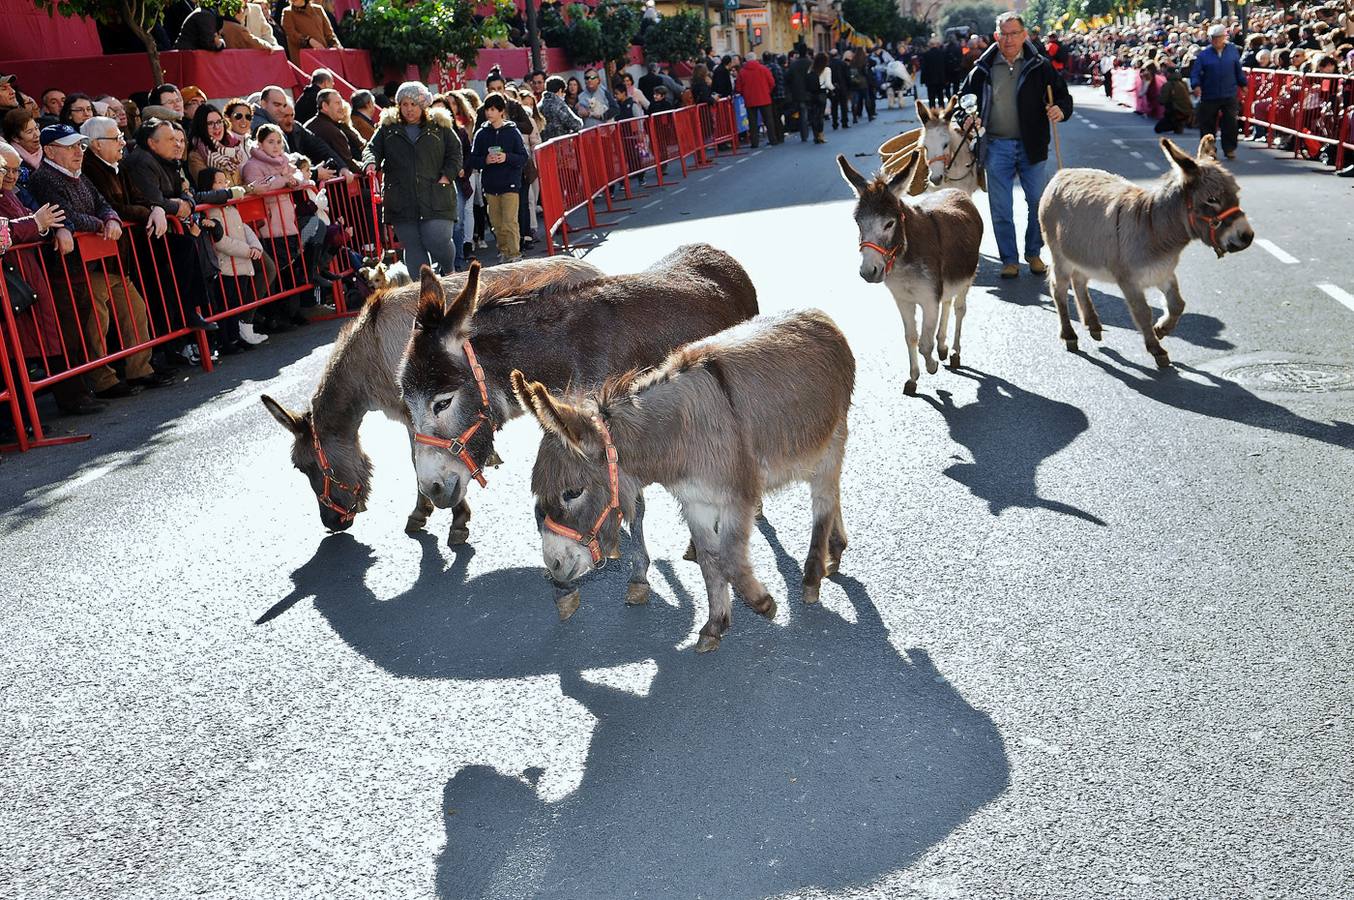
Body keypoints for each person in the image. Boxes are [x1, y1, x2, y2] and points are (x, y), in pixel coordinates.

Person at [27, 124, 176, 397]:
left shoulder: (79, 175)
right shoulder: (44, 179)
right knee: (95, 323)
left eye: (79, 146)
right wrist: (101, 223)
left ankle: (140, 369)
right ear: (49, 151)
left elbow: (102, 203)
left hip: (107, 261)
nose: (77, 152)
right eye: (69, 146)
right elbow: (65, 215)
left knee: (135, 310)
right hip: (78, 267)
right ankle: (103, 379)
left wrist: (109, 218)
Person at [960, 11, 1072, 279]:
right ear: (996, 36)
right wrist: (966, 118)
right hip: (996, 145)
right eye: (1004, 34)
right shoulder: (982, 69)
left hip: (1031, 144)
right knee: (1001, 208)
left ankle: (1033, 253)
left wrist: (1060, 110)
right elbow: (963, 99)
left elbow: (1063, 97)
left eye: (1014, 33)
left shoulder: (1039, 65)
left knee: (1037, 202)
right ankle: (1009, 259)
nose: (1009, 39)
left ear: (1024, 35)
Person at [0, 140, 106, 414]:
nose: (10, 175)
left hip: (28, 277)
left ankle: (31, 415)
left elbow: (43, 220)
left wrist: (47, 227)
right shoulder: (30, 186)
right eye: (4, 169)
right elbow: (19, 227)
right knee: (16, 352)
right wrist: (36, 224)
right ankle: (22, 418)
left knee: (45, 341)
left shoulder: (13, 194)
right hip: (14, 280)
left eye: (15, 169)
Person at [361, 81, 461, 275]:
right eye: (404, 104)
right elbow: (371, 149)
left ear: (423, 106)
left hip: (436, 194)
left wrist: (447, 176)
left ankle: (449, 271)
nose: (409, 109)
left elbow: (455, 153)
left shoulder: (440, 127)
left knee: (437, 238)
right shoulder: (387, 129)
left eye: (413, 104)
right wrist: (370, 162)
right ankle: (423, 291)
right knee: (413, 245)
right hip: (401, 197)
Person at [468, 93, 526, 263]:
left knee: (510, 221)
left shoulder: (512, 131)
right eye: (487, 109)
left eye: (493, 109)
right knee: (497, 224)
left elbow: (523, 157)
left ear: (501, 111)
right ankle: (503, 251)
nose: (489, 113)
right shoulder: (481, 133)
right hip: (491, 185)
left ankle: (515, 254)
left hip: (510, 183)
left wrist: (506, 157)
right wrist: (485, 160)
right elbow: (473, 159)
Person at [1191, 23, 1247, 160]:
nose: (1216, 40)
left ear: (1224, 37)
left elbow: (1237, 69)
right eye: (1213, 38)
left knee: (1230, 123)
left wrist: (1243, 84)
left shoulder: (1232, 51)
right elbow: (1196, 72)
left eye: (1218, 37)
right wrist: (1196, 85)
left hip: (1229, 93)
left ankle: (1229, 149)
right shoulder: (1204, 54)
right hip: (1210, 94)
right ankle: (1209, 151)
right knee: (1207, 124)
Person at [187, 102, 249, 185]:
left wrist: (251, 188)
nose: (216, 127)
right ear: (202, 127)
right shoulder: (196, 155)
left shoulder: (232, 148)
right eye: (210, 123)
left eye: (219, 121)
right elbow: (209, 187)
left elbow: (239, 185)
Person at [306, 88, 364, 172]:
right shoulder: (333, 131)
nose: (342, 107)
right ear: (325, 106)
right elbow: (348, 164)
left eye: (341, 103)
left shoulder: (308, 125)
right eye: (337, 103)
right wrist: (365, 167)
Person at [281, 0, 341, 64]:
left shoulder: (318, 9)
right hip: (304, 59)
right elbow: (292, 34)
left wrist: (336, 45)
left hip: (323, 56)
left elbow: (329, 34)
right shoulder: (287, 12)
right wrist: (309, 40)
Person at [738, 53, 777, 148]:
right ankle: (773, 139)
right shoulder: (763, 69)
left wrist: (744, 94)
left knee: (752, 122)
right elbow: (772, 82)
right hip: (764, 97)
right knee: (768, 120)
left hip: (750, 99)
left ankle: (754, 142)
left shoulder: (742, 72)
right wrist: (767, 91)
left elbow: (738, 87)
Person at [540, 75, 584, 141]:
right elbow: (576, 124)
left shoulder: (539, 105)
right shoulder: (559, 105)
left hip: (545, 146)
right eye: (564, 92)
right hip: (561, 144)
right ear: (560, 90)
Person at [785, 48, 815, 143]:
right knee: (813, 113)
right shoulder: (811, 63)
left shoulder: (794, 65)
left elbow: (788, 78)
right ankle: (816, 133)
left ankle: (804, 135)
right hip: (811, 91)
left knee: (802, 114)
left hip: (799, 93)